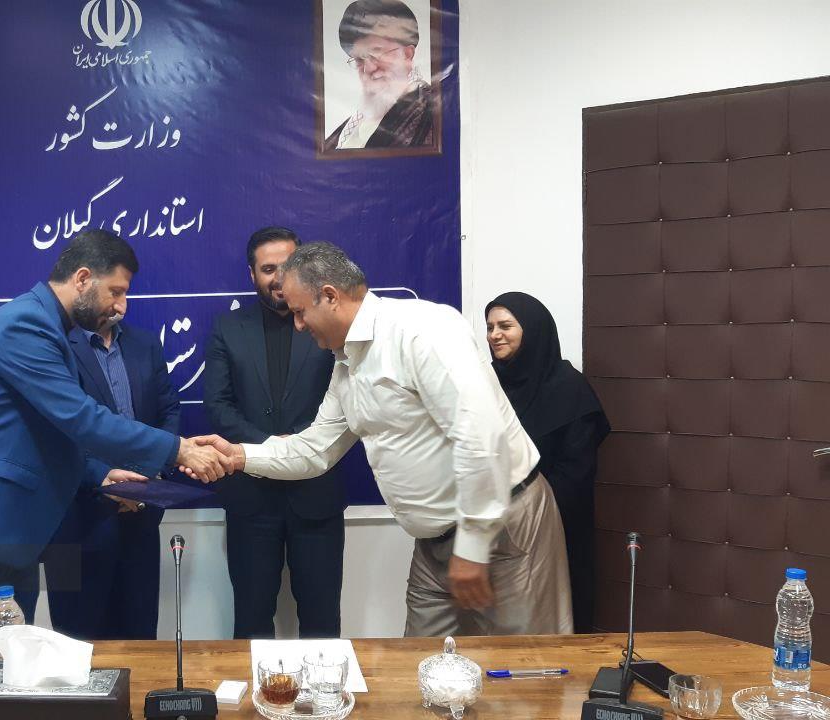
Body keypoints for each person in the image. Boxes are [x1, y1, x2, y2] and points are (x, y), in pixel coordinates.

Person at [189, 243, 572, 637]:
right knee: (421, 665)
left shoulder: (421, 330)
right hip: (435, 543)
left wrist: (473, 546)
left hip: (501, 526)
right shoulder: (346, 364)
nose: (298, 325)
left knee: (525, 665)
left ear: (330, 296)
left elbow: (481, 437)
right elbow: (316, 450)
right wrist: (239, 456)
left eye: (301, 311)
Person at [0, 229, 228, 640]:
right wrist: (178, 449)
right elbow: (81, 418)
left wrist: (102, 475)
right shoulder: (25, 324)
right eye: (116, 291)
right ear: (83, 278)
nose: (121, 306)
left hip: (15, 540)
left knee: (5, 671)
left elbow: (54, 431)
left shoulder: (52, 329)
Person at [203, 227, 344, 639]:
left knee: (321, 621)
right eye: (268, 269)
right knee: (251, 620)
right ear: (252, 274)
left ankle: (324, 686)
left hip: (316, 496)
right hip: (251, 499)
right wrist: (271, 449)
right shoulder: (228, 327)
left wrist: (299, 446)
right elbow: (218, 406)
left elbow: (342, 401)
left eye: (287, 266)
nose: (279, 277)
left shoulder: (327, 325)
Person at [43, 309, 180, 640]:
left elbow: (169, 411)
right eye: (113, 292)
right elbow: (53, 432)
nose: (120, 304)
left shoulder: (145, 344)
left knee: (140, 639)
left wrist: (149, 475)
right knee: (74, 645)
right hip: (73, 520)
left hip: (140, 515)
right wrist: (104, 478)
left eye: (125, 293)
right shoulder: (54, 347)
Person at [485, 292, 610, 633]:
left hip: (556, 526)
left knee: (551, 627)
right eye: (490, 327)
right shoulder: (485, 385)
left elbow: (576, 472)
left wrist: (527, 508)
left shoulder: (570, 389)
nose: (495, 335)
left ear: (533, 330)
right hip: (491, 532)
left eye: (505, 326)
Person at [324, 0, 435, 151]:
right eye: (359, 60)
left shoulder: (432, 113)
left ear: (407, 55)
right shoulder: (351, 125)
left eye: (376, 54)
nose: (368, 69)